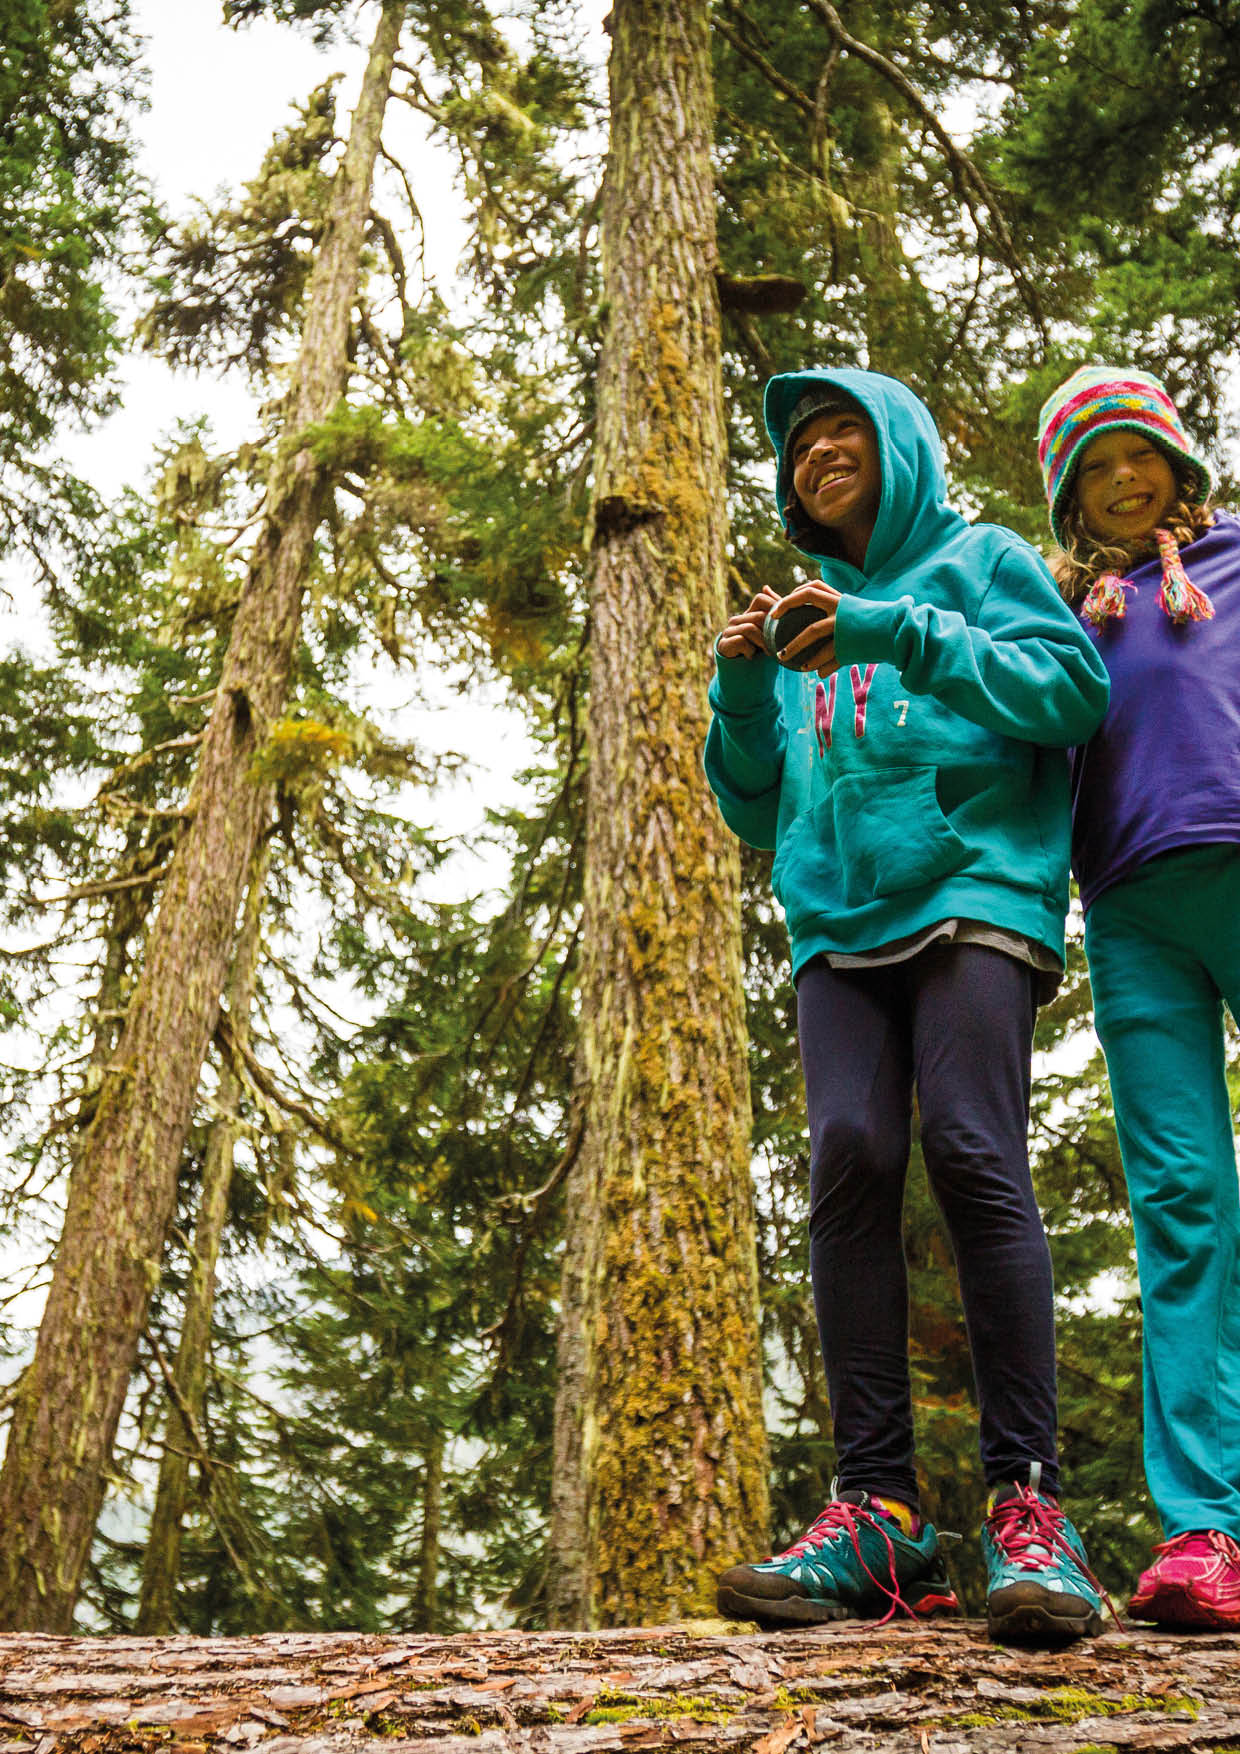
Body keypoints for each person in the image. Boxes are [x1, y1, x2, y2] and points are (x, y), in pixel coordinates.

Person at [706, 367, 1111, 1644]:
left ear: (902, 448)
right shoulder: (801, 618)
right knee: (849, 1156)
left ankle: (1031, 1510)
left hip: (976, 891)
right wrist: (742, 692)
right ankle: (879, 1513)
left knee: (975, 1152)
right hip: (837, 919)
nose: (819, 454)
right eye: (800, 450)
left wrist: (893, 628)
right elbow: (756, 802)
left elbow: (1069, 692)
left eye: (844, 433)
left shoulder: (977, 557)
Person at [1036, 365, 1240, 1628]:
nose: (1121, 478)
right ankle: (1208, 1528)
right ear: (1069, 496)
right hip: (1129, 912)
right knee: (1180, 1203)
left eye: (1138, 455)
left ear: (1175, 461)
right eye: (1092, 466)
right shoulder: (1064, 615)